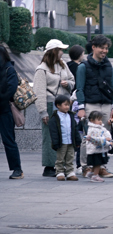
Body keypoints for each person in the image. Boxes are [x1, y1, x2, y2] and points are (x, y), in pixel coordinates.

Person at [75, 36, 113, 178]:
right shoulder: (83, 66)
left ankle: (101, 167)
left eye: (106, 48)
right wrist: (81, 107)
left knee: (104, 137)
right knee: (88, 137)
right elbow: (79, 88)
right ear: (93, 47)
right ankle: (85, 166)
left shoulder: (108, 66)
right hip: (90, 104)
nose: (104, 51)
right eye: (102, 48)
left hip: (106, 105)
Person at [35, 38, 76, 177]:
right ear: (54, 51)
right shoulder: (41, 69)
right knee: (50, 136)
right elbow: (39, 92)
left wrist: (68, 84)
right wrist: (43, 112)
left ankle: (62, 165)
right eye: (60, 50)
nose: (62, 52)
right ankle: (49, 166)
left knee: (64, 134)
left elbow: (72, 80)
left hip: (63, 104)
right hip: (50, 104)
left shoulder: (63, 65)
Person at [47, 94, 81, 181]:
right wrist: (55, 142)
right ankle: (59, 172)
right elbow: (53, 132)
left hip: (70, 141)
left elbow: (75, 129)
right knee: (60, 158)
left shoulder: (71, 116)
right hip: (61, 142)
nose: (67, 107)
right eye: (65, 105)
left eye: (68, 105)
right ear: (58, 105)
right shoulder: (55, 118)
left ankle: (70, 172)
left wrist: (77, 141)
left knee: (70, 157)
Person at [84, 110, 113, 182]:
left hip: (99, 149)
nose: (100, 121)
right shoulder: (93, 129)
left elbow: (106, 134)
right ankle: (95, 175)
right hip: (96, 150)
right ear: (92, 120)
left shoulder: (100, 128)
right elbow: (96, 140)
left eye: (101, 119)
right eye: (98, 119)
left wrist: (108, 140)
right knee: (98, 163)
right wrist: (107, 142)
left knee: (96, 163)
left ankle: (92, 173)